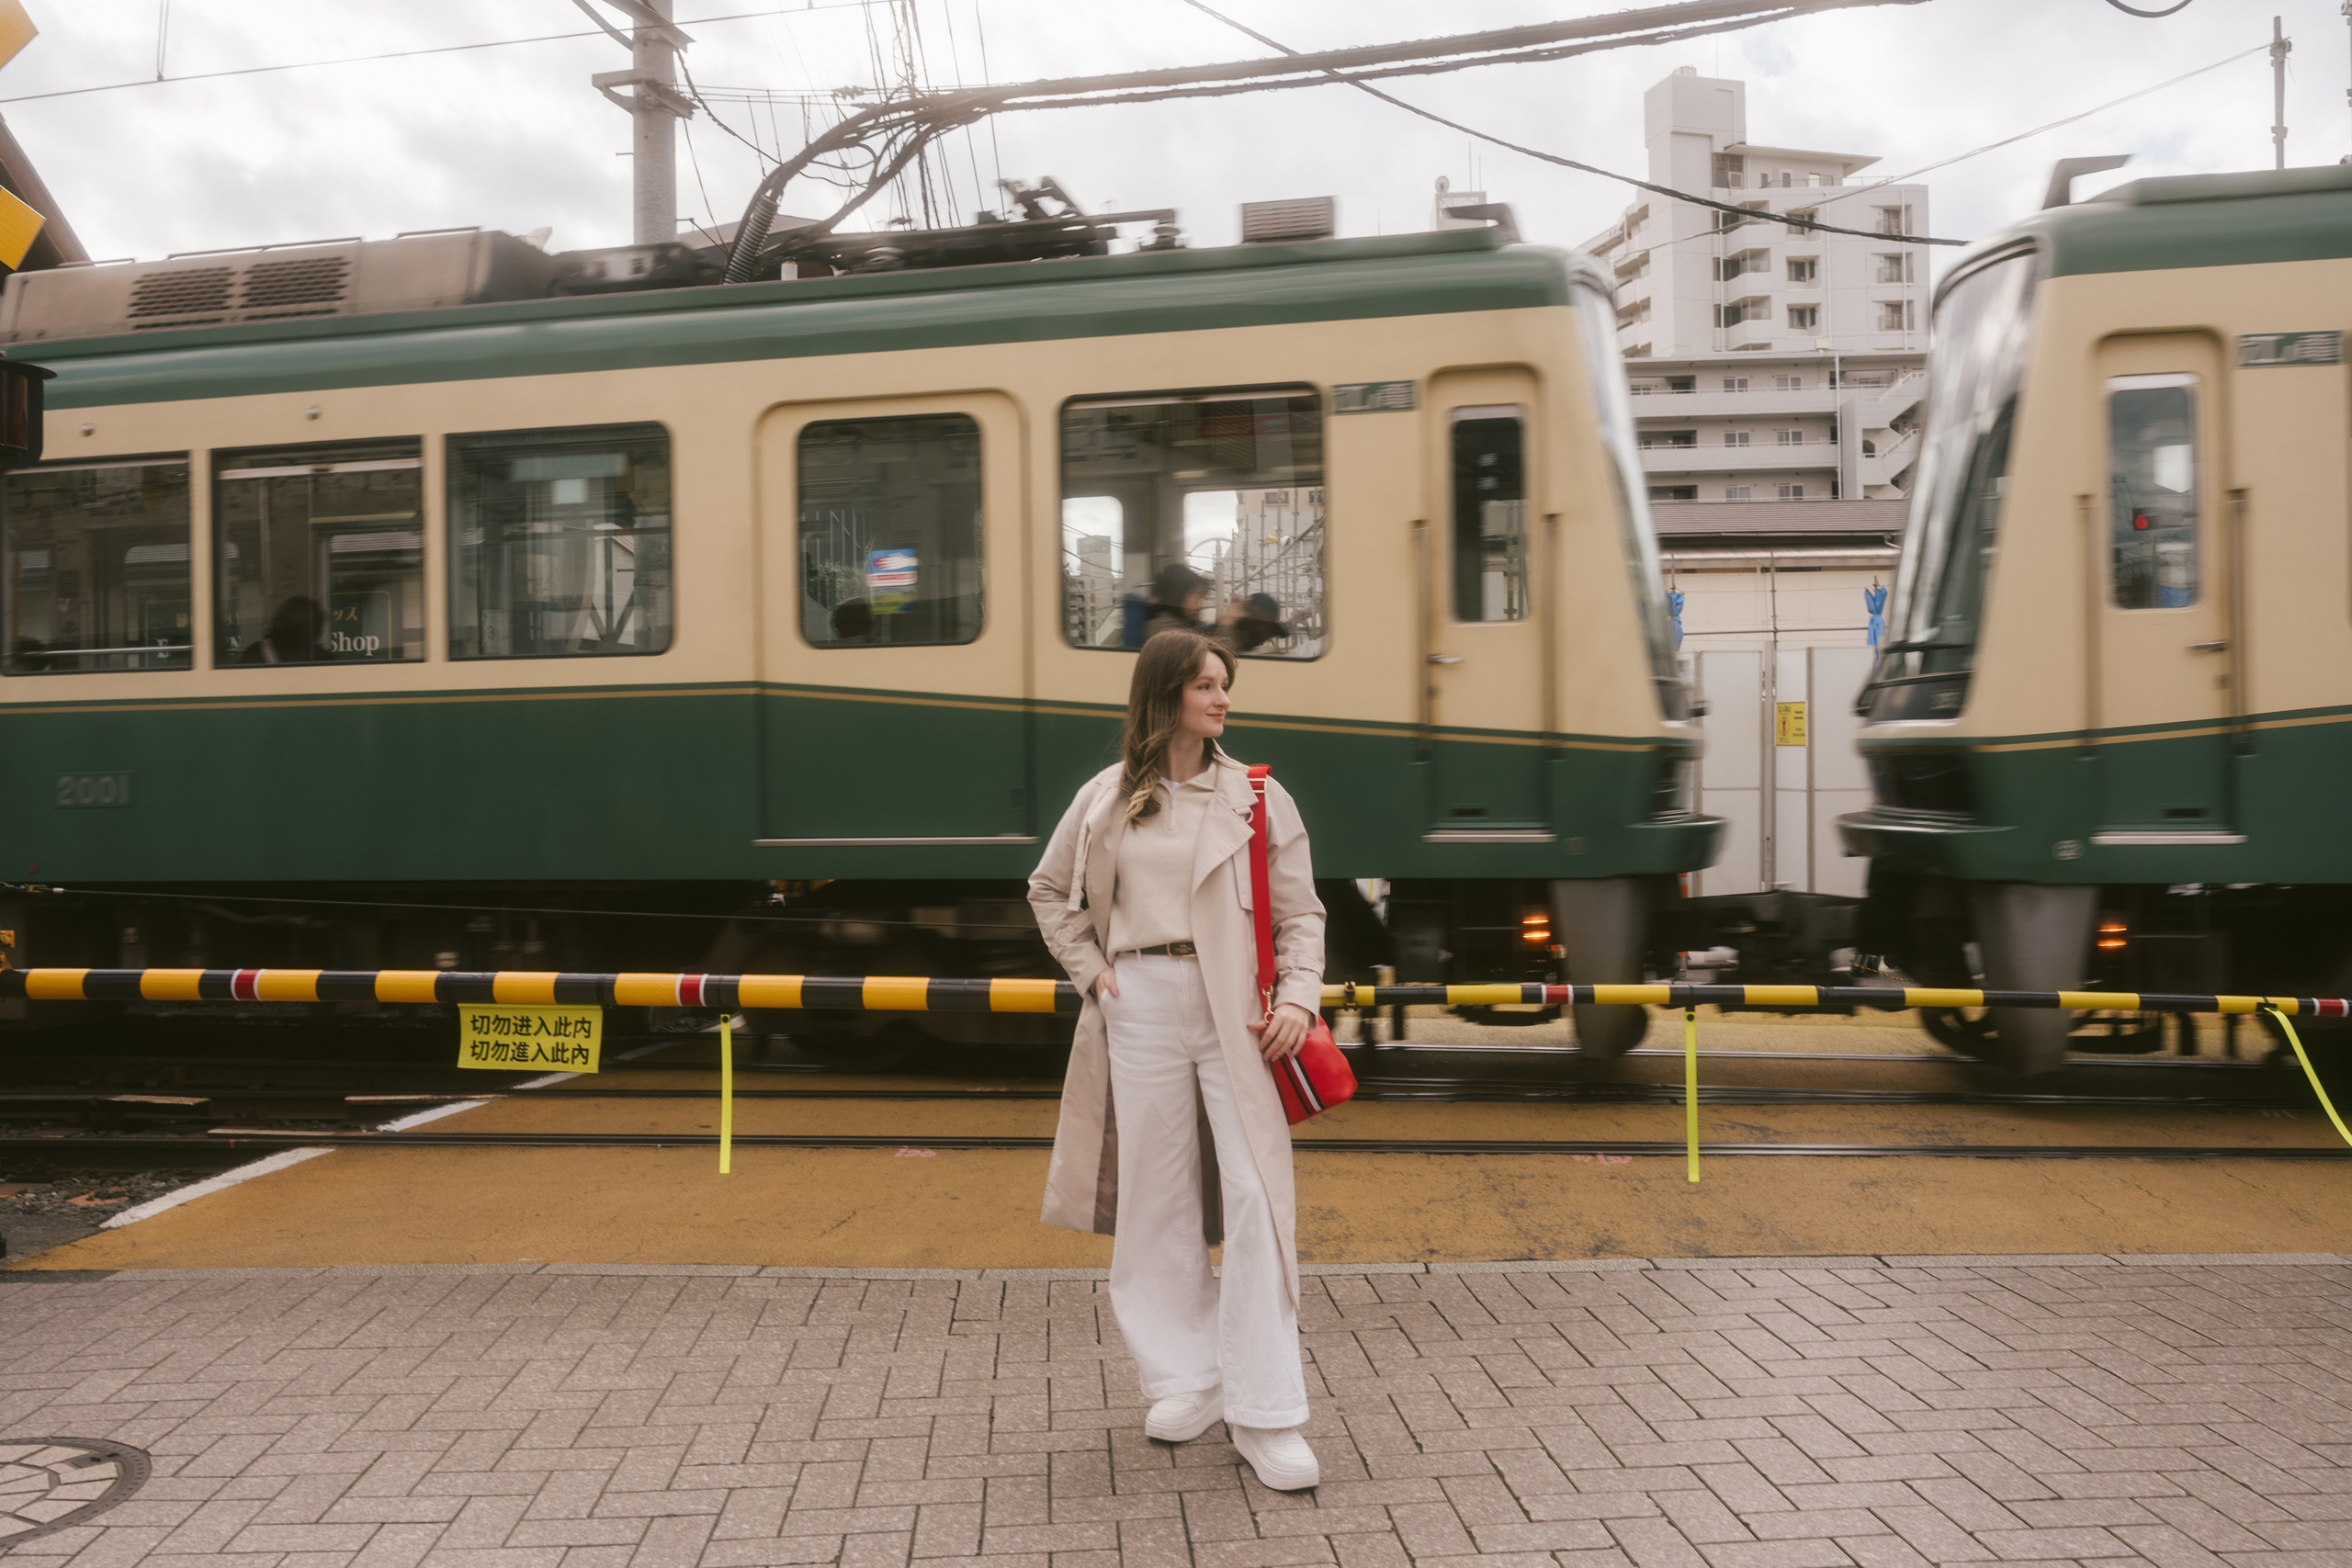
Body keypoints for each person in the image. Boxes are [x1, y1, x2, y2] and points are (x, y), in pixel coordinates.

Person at [1027, 628, 1328, 1491]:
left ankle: (1268, 1412)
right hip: (1141, 1002)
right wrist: (1093, 972)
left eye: (1225, 683)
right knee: (1156, 1197)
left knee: (1255, 1194)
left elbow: (1301, 914)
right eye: (1206, 684)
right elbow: (1049, 890)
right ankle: (1188, 1378)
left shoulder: (1259, 796)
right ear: (1164, 694)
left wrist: (1300, 997)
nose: (1222, 697)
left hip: (1237, 1008)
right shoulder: (1106, 796)